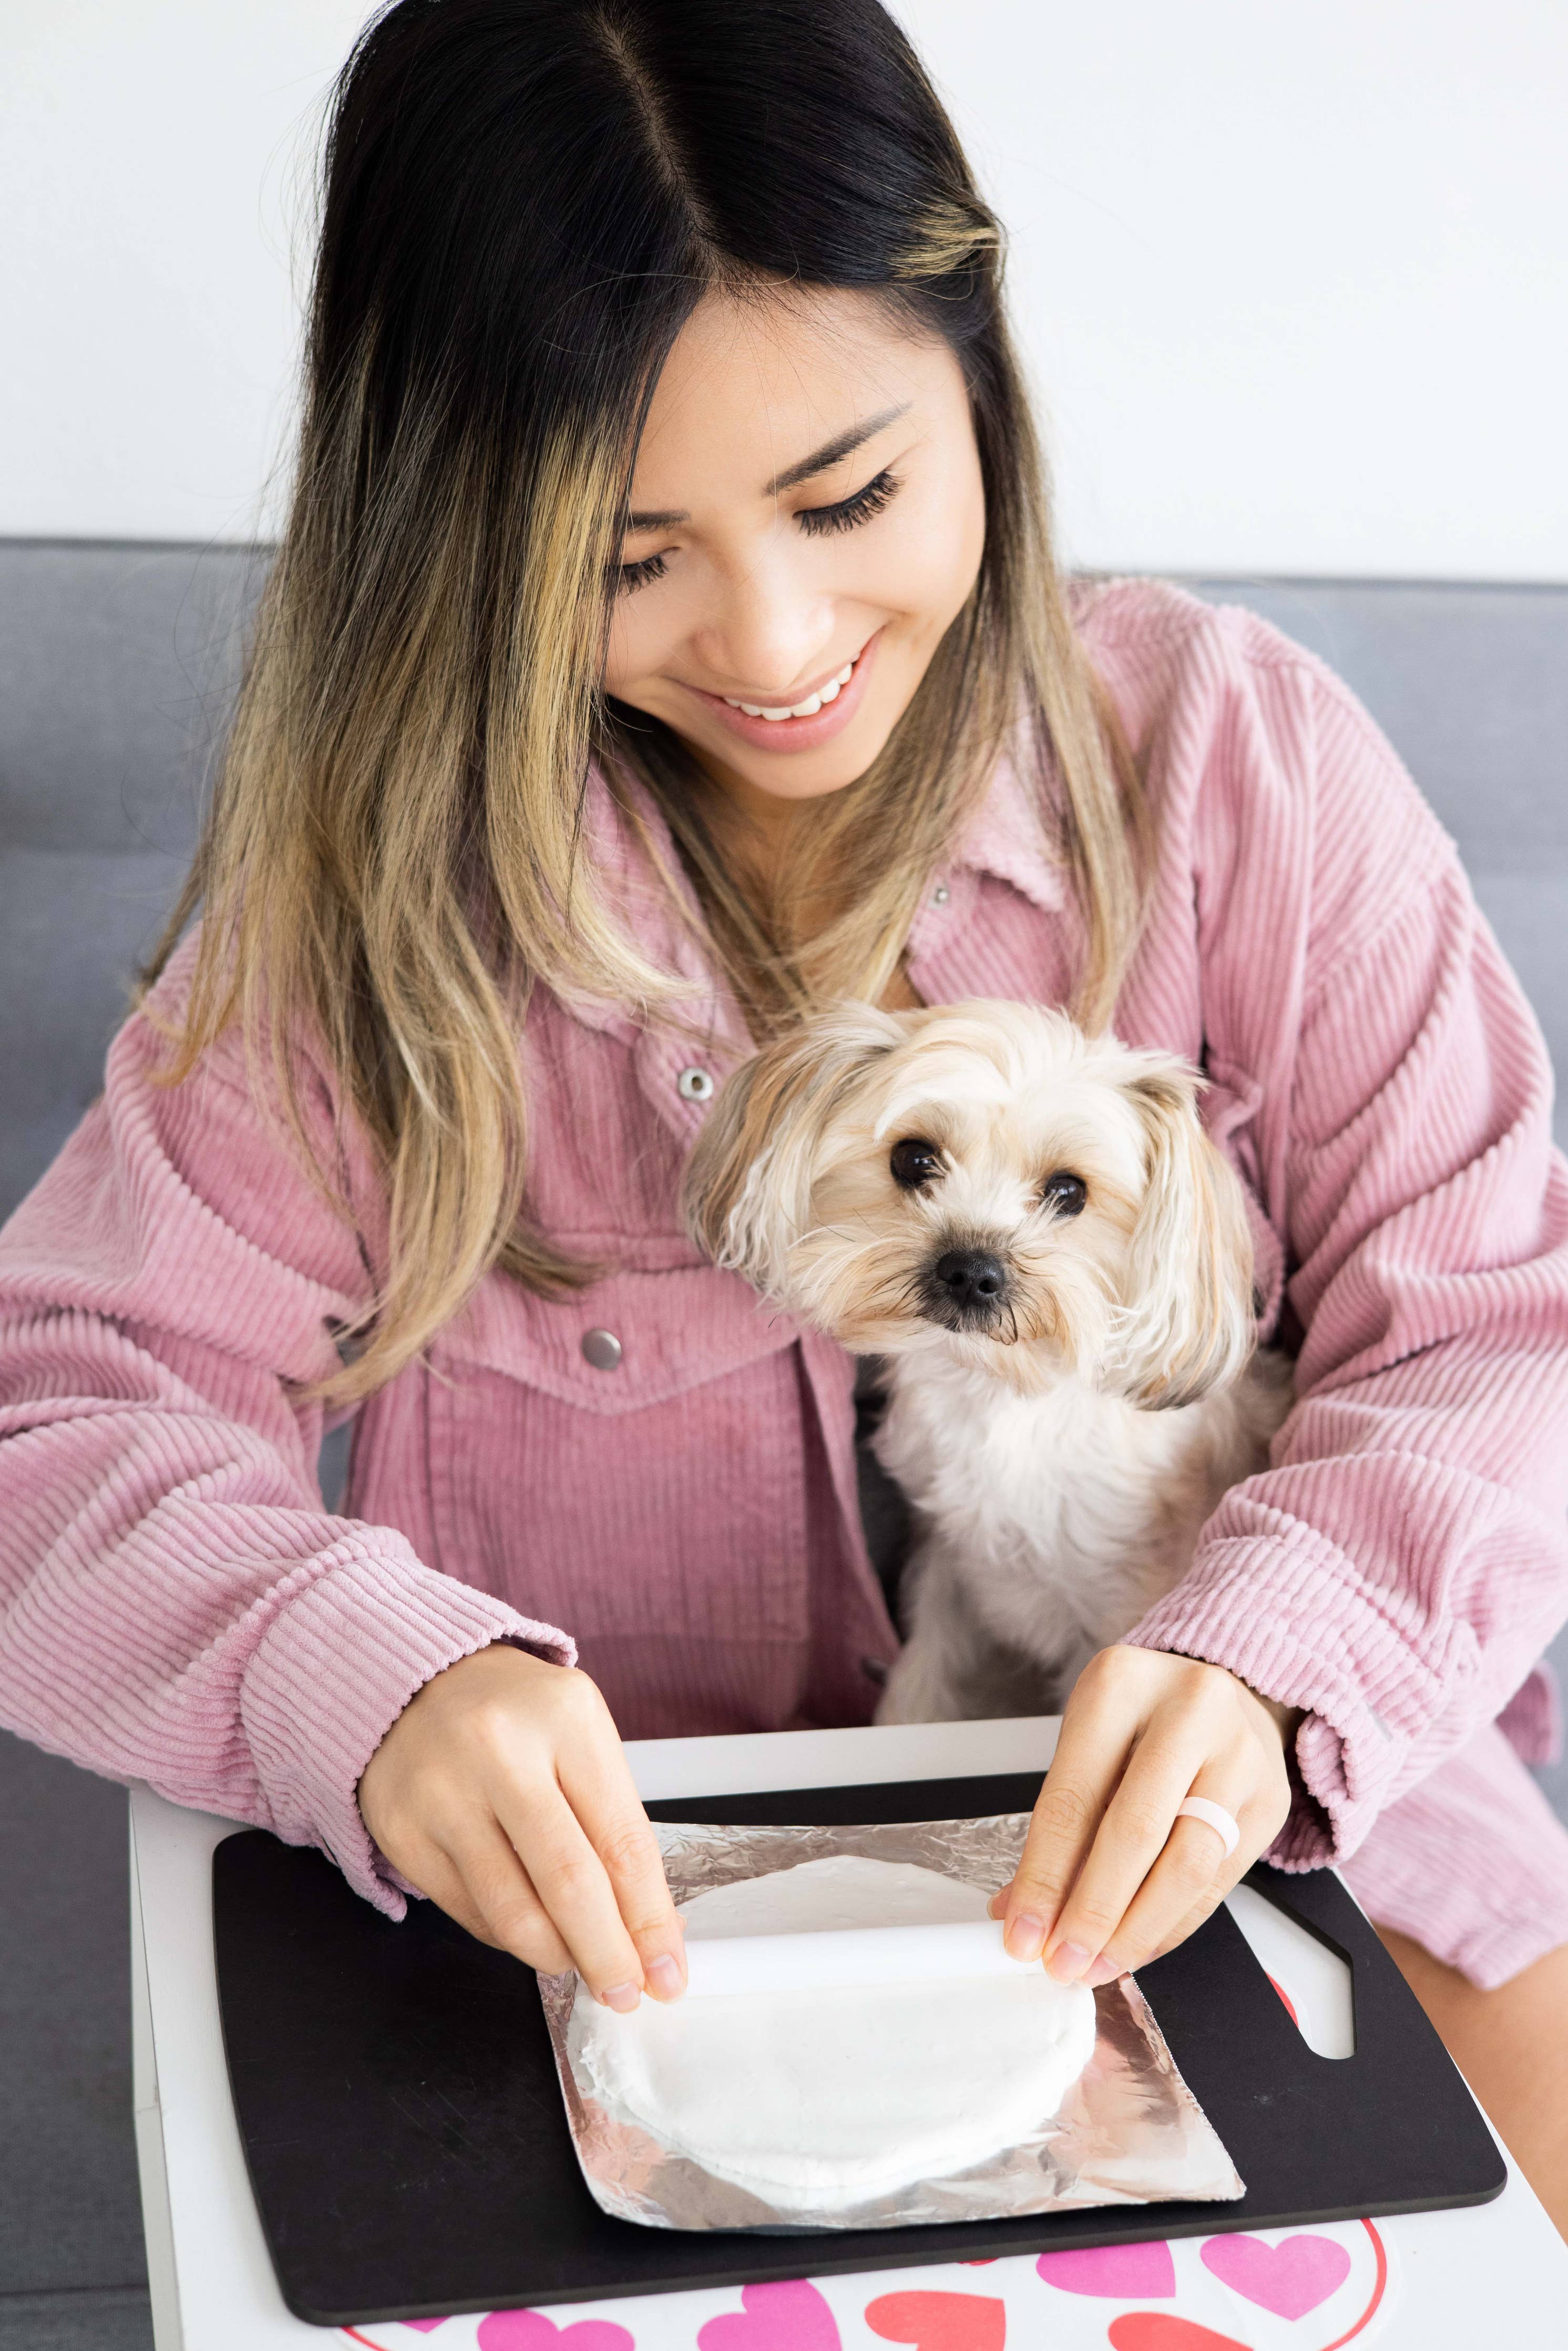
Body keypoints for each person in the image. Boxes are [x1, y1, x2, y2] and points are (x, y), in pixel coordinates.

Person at [3, 0, 1567, 2226]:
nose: (771, 638)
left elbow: (1501, 1331)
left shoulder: (1237, 767)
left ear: (980, 375)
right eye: (622, 556)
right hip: (643, 1926)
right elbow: (61, 1409)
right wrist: (354, 1672)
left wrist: (1274, 1657)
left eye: (849, 496)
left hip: (1297, 1833)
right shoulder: (375, 902)